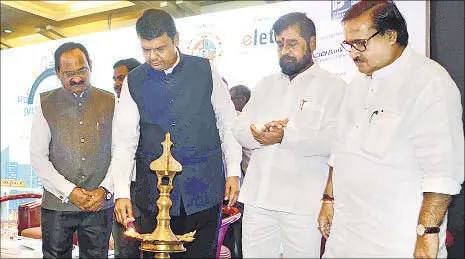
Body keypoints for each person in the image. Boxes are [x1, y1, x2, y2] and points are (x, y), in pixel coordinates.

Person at [318, 1, 464, 258]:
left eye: (360, 43)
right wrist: (328, 199)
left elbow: (442, 172)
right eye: (349, 45)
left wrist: (427, 233)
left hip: (397, 243)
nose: (353, 53)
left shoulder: (429, 83)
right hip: (345, 238)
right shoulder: (356, 84)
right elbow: (339, 151)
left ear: (390, 35)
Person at [109, 9, 242, 258]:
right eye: (146, 50)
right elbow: (125, 142)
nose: (153, 57)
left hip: (203, 190)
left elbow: (227, 123)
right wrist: (122, 193)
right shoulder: (134, 81)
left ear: (176, 39)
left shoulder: (204, 70)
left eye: (160, 49)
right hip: (152, 196)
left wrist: (234, 171)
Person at [233, 12, 346, 258]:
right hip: (259, 198)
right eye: (280, 44)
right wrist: (260, 134)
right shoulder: (265, 85)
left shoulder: (334, 87)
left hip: (303, 203)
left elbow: (336, 142)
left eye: (292, 44)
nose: (285, 50)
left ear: (312, 44)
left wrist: (286, 136)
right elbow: (240, 130)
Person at [30, 42, 115, 258]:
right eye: (68, 73)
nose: (76, 78)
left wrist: (104, 190)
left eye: (81, 70)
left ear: (90, 67)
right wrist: (70, 191)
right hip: (57, 206)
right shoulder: (45, 103)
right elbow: (38, 157)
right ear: (58, 72)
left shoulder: (112, 101)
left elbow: (121, 153)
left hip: (99, 204)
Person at [111, 58, 142, 258]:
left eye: (121, 78)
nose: (116, 83)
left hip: (146, 190)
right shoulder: (111, 108)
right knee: (124, 251)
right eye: (114, 79)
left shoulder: (148, 107)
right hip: (120, 191)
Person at [224, 84, 252, 258]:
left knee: (240, 238)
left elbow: (250, 158)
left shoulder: (239, 120)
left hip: (237, 193)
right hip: (211, 194)